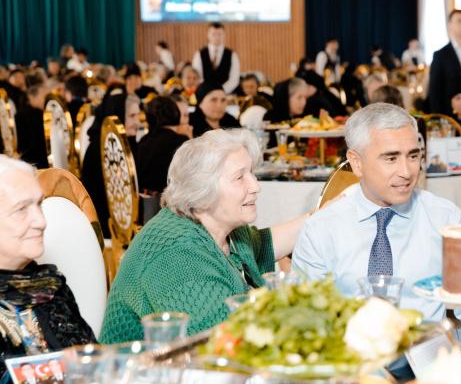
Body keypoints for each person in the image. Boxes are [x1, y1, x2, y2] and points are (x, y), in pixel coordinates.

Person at [99, 129, 310, 343]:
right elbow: (220, 337)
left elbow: (263, 245)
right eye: (240, 177)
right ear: (202, 190)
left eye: (252, 173)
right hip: (139, 364)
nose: (256, 186)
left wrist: (320, 215)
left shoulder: (223, 228)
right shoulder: (176, 254)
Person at [292, 103, 461, 328]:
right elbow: (304, 316)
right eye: (391, 158)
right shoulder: (322, 228)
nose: (406, 172)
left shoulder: (445, 219)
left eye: (413, 156)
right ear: (357, 163)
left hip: (427, 347)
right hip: (347, 348)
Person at [0, 155, 95, 380]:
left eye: (39, 204)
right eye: (21, 209)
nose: (41, 221)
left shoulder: (49, 287)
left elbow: (94, 368)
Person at [81, 93, 141, 237]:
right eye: (132, 116)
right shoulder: (99, 148)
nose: (138, 122)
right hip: (107, 229)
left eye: (138, 115)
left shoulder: (127, 143)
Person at [137, 97, 190, 194]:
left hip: (143, 199)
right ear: (176, 114)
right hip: (168, 200)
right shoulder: (181, 141)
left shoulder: (144, 140)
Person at [191, 22, 240, 94]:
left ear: (224, 35)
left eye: (219, 34)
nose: (217, 37)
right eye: (213, 34)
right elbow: (197, 76)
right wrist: (208, 91)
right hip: (205, 93)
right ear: (208, 35)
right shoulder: (199, 54)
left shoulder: (233, 55)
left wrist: (221, 91)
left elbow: (234, 79)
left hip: (226, 94)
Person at [15, 75, 50, 169]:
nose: (48, 100)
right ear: (32, 97)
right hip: (33, 163)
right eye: (45, 97)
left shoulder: (45, 113)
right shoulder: (22, 116)